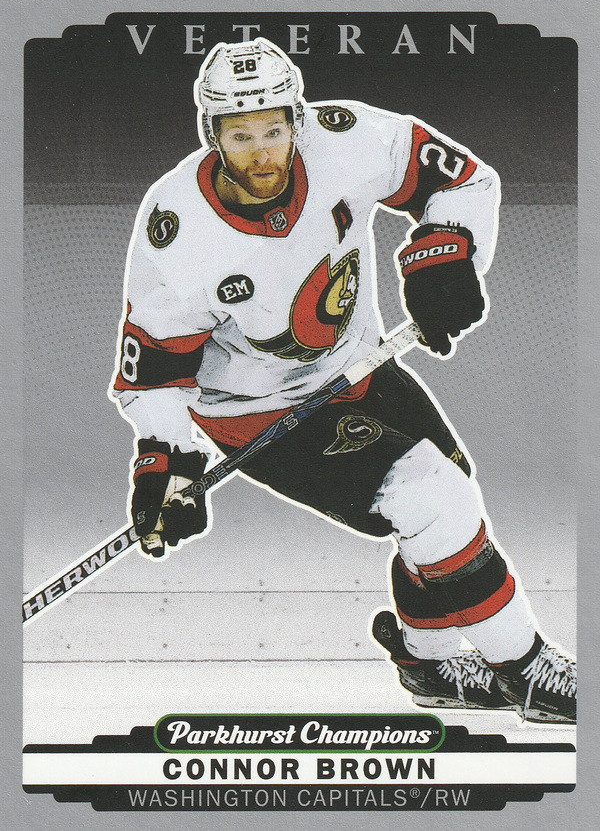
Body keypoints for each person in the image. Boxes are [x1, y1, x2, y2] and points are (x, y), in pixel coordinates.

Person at [111, 38, 575, 725]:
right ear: (212, 134)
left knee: (447, 504)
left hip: (358, 365)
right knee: (431, 496)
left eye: (273, 130)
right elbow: (153, 367)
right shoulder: (176, 228)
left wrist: (447, 252)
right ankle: (527, 671)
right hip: (256, 410)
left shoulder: (346, 137)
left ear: (297, 120)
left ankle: (428, 663)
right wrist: (164, 457)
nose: (261, 153)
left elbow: (466, 180)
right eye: (240, 136)